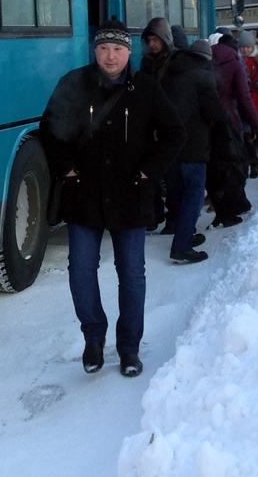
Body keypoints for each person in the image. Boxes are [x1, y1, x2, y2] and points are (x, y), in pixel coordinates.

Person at [38, 19, 184, 378]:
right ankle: (93, 338)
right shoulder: (74, 83)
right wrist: (67, 168)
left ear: (129, 52)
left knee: (132, 274)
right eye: (103, 48)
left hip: (130, 196)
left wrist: (150, 170)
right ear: (95, 50)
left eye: (118, 48)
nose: (110, 56)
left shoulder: (146, 88)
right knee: (81, 272)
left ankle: (129, 348)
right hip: (83, 196)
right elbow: (49, 130)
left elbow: (174, 132)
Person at [139, 18, 230, 263]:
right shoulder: (202, 75)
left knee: (179, 193)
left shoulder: (170, 73)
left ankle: (186, 233)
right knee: (194, 194)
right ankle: (181, 245)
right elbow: (214, 112)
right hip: (194, 145)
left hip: (171, 145)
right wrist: (227, 117)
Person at [210, 36, 258, 225]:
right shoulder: (236, 64)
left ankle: (230, 204)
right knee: (235, 164)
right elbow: (244, 98)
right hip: (230, 120)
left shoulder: (209, 60)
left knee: (217, 165)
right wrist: (256, 124)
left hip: (211, 119)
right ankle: (234, 206)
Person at [239, 30, 258, 176]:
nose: (245, 49)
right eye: (242, 47)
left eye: (247, 47)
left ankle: (255, 163)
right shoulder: (239, 60)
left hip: (256, 103)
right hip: (245, 103)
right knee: (247, 136)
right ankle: (252, 164)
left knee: (256, 136)